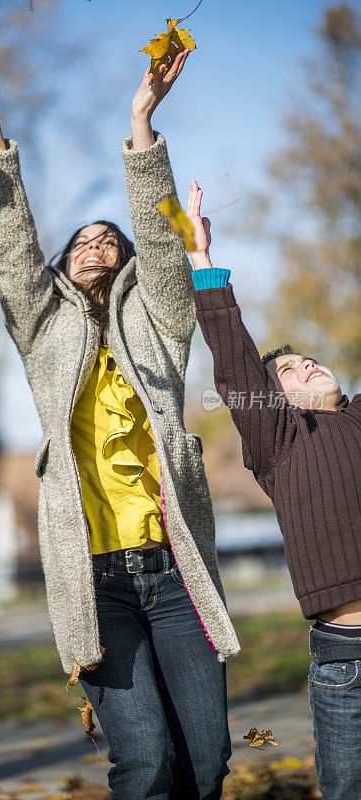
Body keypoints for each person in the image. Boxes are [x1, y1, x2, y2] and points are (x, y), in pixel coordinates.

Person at [0, 41, 239, 800]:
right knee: (143, 765)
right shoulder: (44, 329)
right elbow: (11, 250)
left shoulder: (159, 321)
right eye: (81, 240)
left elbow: (164, 241)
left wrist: (142, 119)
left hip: (174, 575)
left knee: (204, 763)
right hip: (97, 582)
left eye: (110, 238)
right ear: (63, 264)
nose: (96, 243)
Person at [186, 178, 361, 800]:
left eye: (308, 358)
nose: (308, 363)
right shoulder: (281, 441)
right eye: (288, 370)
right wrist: (205, 265)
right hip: (349, 658)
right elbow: (235, 364)